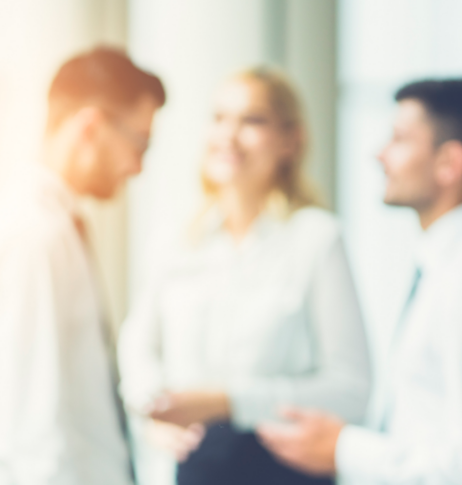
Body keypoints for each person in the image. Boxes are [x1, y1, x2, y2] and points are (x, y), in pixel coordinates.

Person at [256, 78, 462, 484]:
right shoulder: (450, 268)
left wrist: (345, 448)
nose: (380, 155)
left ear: (450, 163)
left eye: (399, 139)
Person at [118, 67, 371, 485]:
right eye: (219, 118)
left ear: (292, 140)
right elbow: (138, 347)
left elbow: (351, 391)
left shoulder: (316, 239)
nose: (229, 136)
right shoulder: (175, 242)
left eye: (252, 121)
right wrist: (154, 413)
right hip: (190, 470)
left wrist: (229, 401)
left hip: (280, 472)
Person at [0, 47, 165, 485]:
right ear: (91, 126)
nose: (138, 166)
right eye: (139, 141)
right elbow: (35, 426)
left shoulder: (55, 225)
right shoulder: (34, 234)